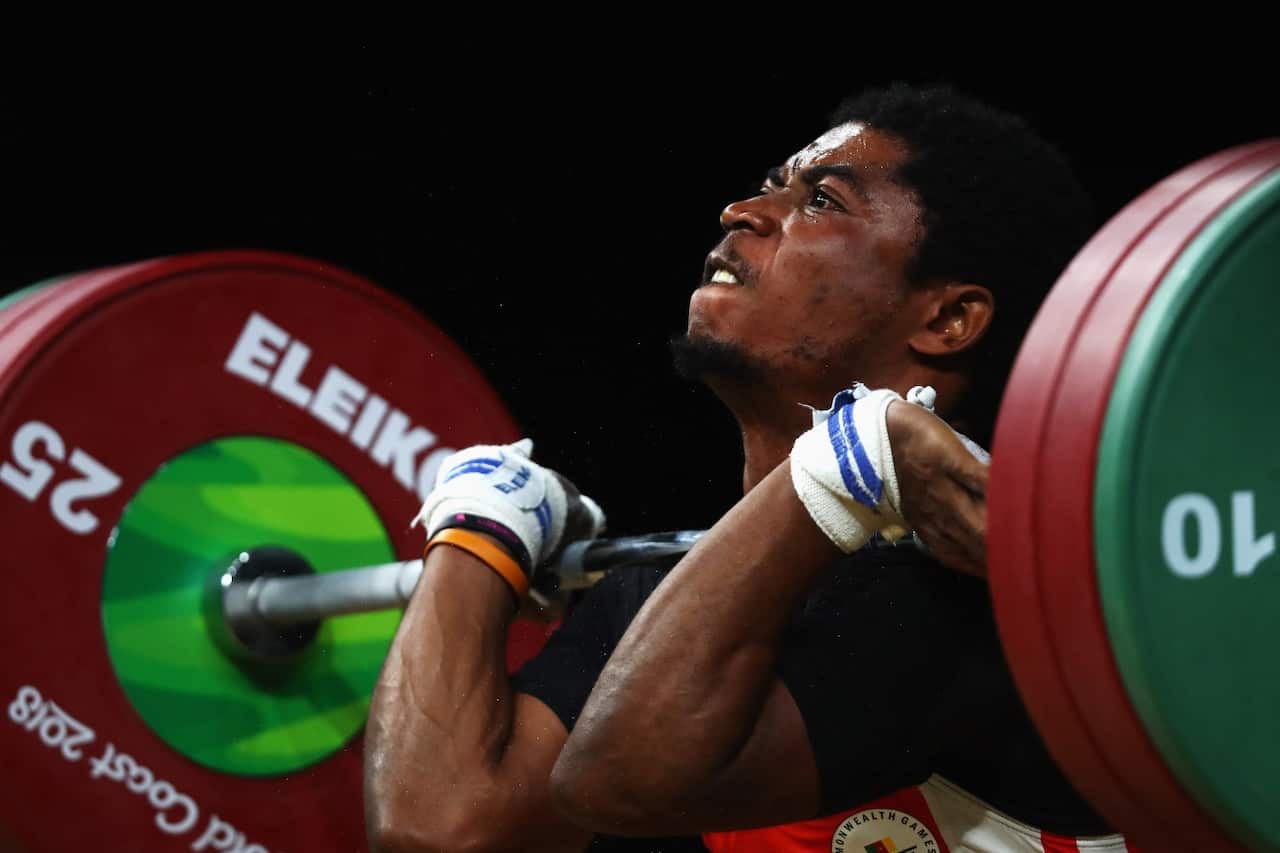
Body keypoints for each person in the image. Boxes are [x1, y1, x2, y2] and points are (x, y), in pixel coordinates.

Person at [364, 83, 1120, 852]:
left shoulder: (967, 595)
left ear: (947, 319)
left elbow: (616, 779)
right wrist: (480, 529)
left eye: (821, 199)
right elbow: (441, 828)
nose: (742, 212)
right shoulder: (659, 598)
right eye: (769, 188)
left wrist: (838, 464)